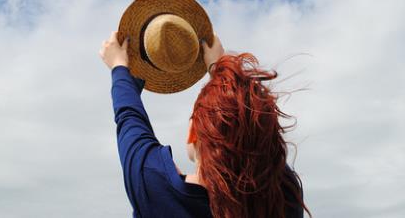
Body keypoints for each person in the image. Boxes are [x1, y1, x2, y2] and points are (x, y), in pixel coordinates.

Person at [99, 30, 312, 218]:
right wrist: (217, 69)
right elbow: (261, 139)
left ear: (194, 133)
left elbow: (129, 119)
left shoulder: (157, 190)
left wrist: (120, 68)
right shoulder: (285, 198)